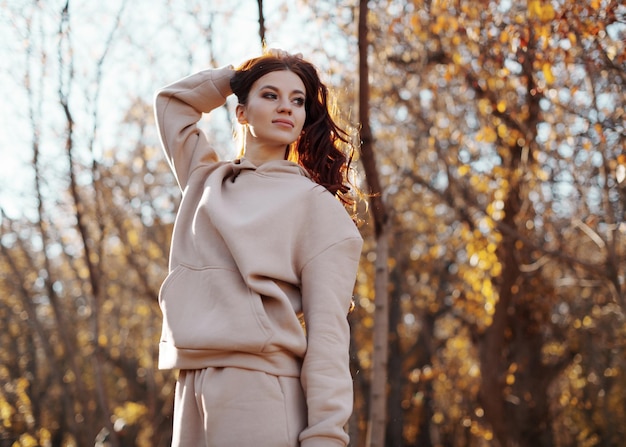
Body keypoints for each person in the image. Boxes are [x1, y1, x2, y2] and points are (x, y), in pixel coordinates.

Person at [154, 49, 363, 447]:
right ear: (241, 112)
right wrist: (237, 76)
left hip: (263, 390)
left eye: (298, 100)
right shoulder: (206, 181)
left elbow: (329, 338)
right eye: (270, 95)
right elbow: (173, 103)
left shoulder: (316, 206)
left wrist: (326, 435)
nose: (286, 107)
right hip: (192, 384)